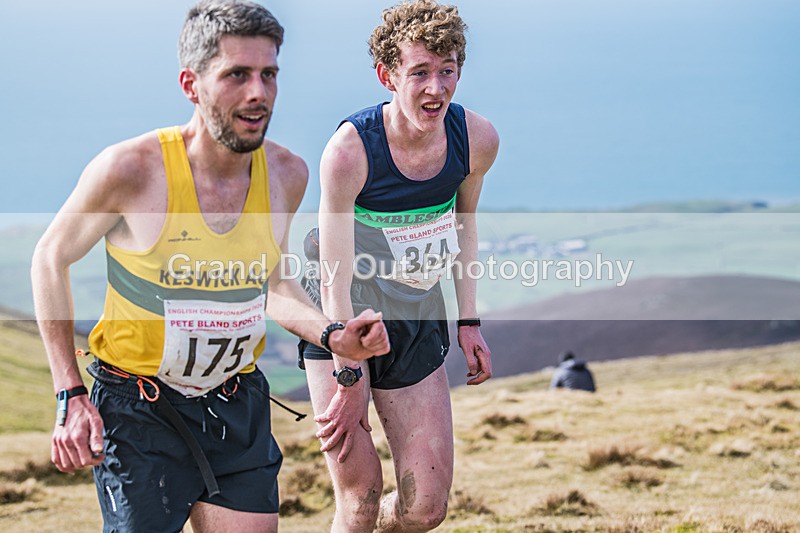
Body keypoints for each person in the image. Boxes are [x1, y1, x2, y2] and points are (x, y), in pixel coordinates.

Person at [30, 2, 389, 532]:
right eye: (236, 75)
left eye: (269, 75)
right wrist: (69, 395)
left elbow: (274, 283)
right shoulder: (131, 170)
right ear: (191, 84)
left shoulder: (287, 173)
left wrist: (333, 335)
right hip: (139, 410)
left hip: (234, 403)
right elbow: (49, 257)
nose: (258, 94)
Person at [299, 1, 499, 530]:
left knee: (425, 509)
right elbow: (332, 271)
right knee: (360, 499)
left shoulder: (476, 139)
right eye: (420, 73)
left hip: (417, 313)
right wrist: (345, 366)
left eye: (448, 70)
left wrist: (469, 321)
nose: (436, 88)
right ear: (388, 74)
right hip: (345, 314)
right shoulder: (350, 151)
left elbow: (465, 224)